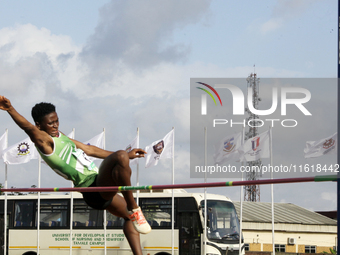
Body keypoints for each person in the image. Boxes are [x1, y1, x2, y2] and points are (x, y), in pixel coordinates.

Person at [0, 96, 151, 255]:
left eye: (57, 120)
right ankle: (134, 207)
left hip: (99, 184)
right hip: (92, 188)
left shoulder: (61, 135)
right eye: (50, 123)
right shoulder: (44, 141)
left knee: (128, 216)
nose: (55, 125)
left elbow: (90, 150)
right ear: (39, 125)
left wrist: (128, 155)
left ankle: (137, 247)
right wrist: (10, 109)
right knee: (120, 157)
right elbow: (28, 128)